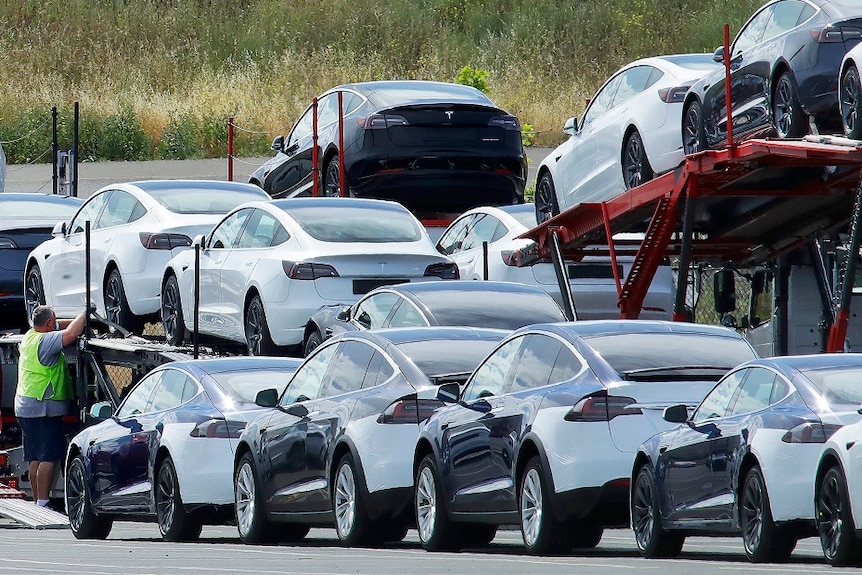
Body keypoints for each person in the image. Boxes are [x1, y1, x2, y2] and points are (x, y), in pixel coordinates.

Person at [15, 305, 87, 507]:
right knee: (50, 456)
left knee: (35, 458)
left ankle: (38, 501)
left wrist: (74, 321)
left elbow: (61, 326)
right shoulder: (47, 341)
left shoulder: (30, 336)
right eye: (52, 322)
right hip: (43, 408)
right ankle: (45, 502)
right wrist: (86, 313)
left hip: (25, 406)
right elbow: (71, 333)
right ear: (48, 324)